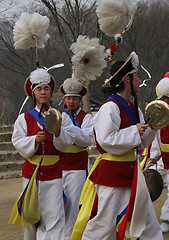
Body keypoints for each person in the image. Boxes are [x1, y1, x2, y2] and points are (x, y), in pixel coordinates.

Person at [70, 52, 164, 240]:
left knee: (147, 223)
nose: (139, 80)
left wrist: (154, 126)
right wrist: (134, 131)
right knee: (103, 226)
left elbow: (141, 142)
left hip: (132, 173)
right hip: (112, 174)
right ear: (127, 80)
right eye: (137, 76)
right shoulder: (110, 107)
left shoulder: (133, 107)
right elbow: (106, 140)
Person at [10, 68, 85, 240]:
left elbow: (67, 141)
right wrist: (34, 140)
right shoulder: (24, 118)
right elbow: (18, 141)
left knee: (54, 216)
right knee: (30, 215)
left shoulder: (61, 117)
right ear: (33, 93)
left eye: (46, 89)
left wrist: (58, 132)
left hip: (54, 173)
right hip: (32, 173)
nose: (43, 92)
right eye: (39, 89)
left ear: (51, 92)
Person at [59, 77, 94, 240]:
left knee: (73, 206)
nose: (70, 101)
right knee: (59, 205)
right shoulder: (58, 116)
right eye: (68, 98)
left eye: (74, 98)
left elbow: (87, 140)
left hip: (78, 167)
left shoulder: (87, 118)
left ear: (80, 99)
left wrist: (69, 128)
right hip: (59, 166)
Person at [150, 75, 169, 233]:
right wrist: (154, 155)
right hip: (164, 159)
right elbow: (156, 137)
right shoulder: (160, 113)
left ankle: (166, 218)